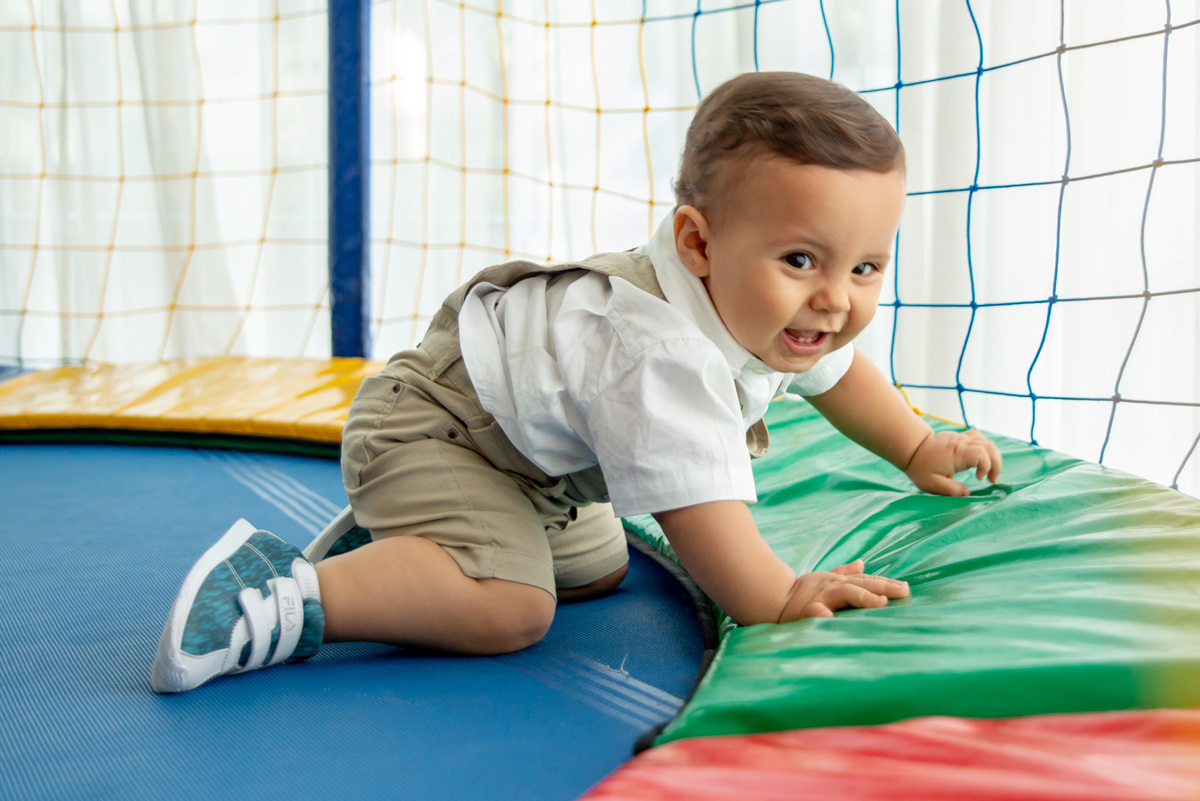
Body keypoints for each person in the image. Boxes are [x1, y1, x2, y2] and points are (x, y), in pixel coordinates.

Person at [149, 71, 1002, 694]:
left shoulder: (780, 307)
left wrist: (918, 444)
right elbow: (708, 526)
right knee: (511, 609)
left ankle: (407, 555)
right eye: (803, 259)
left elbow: (841, 372)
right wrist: (780, 595)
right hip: (437, 428)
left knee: (596, 568)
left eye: (867, 267)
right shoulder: (659, 353)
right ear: (698, 243)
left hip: (531, 470)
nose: (837, 298)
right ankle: (279, 589)